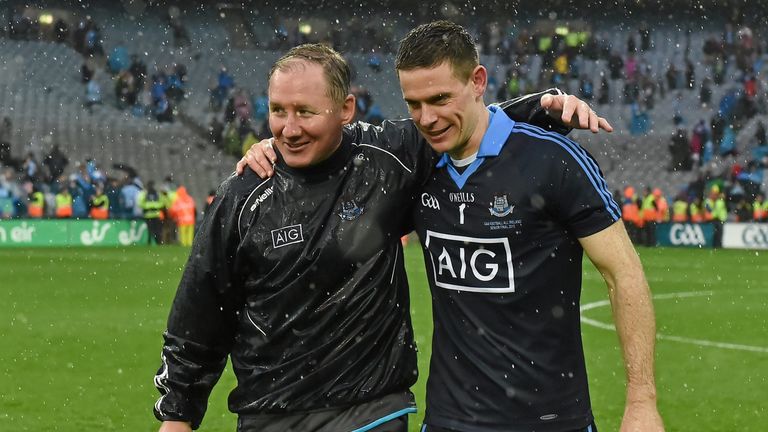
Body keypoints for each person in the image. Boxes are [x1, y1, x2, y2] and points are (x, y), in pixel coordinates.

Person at [156, 42, 606, 432]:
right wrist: (178, 414)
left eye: (306, 112)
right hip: (269, 413)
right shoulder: (244, 194)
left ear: (346, 110)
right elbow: (200, 308)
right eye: (278, 111)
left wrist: (543, 105)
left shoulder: (390, 160)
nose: (289, 128)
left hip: (372, 410)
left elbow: (464, 118)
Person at [244, 21, 660, 432]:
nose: (427, 118)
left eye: (440, 98)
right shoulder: (412, 168)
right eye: (414, 104)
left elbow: (623, 273)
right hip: (449, 419)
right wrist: (276, 146)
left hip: (551, 419)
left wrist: (642, 402)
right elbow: (332, 147)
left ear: (478, 81)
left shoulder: (553, 161)